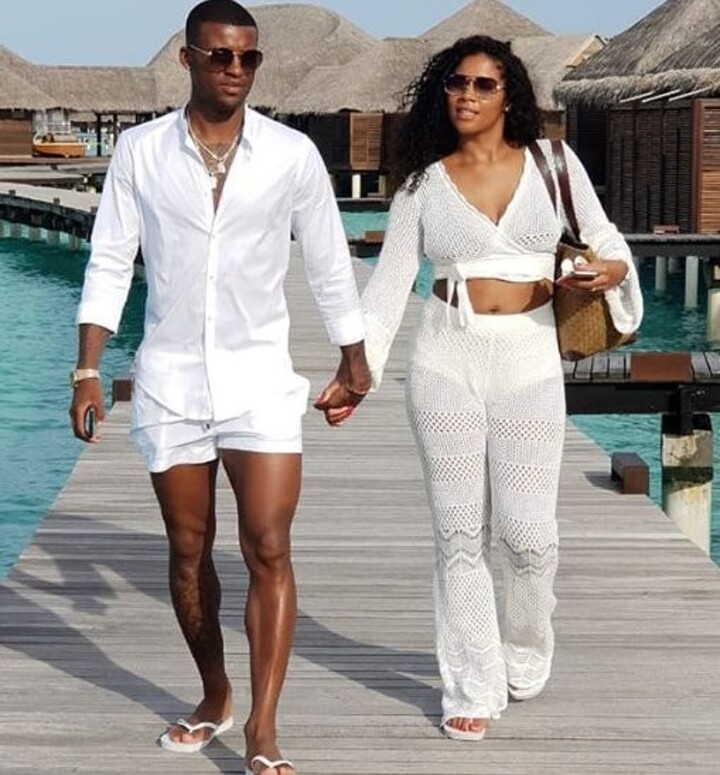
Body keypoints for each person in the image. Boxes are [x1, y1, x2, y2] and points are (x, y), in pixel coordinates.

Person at [69, 1, 370, 772]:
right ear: (188, 58)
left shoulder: (291, 154)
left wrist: (354, 358)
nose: (237, 69)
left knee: (268, 544)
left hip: (260, 377)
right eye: (221, 55)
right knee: (187, 550)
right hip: (170, 381)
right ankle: (215, 694)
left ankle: (263, 727)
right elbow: (110, 260)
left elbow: (328, 260)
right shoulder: (140, 152)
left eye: (249, 57)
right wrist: (88, 366)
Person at [315, 35, 643, 740]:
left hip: (529, 359)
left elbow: (609, 241)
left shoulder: (555, 164)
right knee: (459, 534)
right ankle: (471, 680)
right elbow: (389, 288)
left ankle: (525, 644)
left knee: (528, 536)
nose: (466, 95)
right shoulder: (421, 184)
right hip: (445, 359)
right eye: (456, 83)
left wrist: (610, 272)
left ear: (509, 95)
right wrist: (355, 373)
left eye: (482, 84)